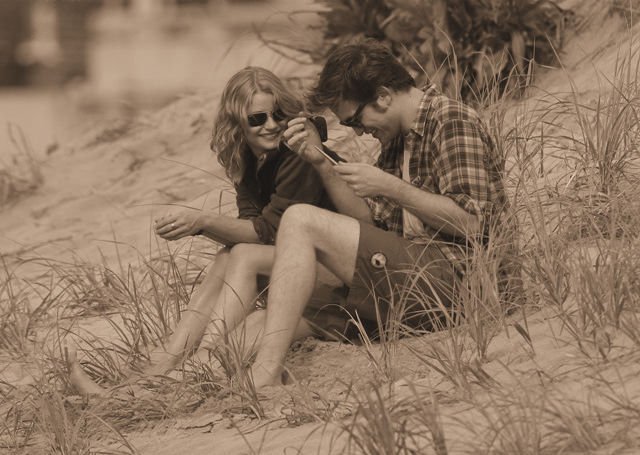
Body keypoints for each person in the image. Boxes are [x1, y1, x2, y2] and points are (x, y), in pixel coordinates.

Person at [248, 39, 515, 389]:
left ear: (384, 96)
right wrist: (322, 163)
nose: (359, 131)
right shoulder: (397, 140)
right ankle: (209, 379)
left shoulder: (450, 120)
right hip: (413, 279)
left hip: (462, 284)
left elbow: (475, 222)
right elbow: (370, 224)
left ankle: (265, 376)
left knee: (299, 219)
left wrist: (392, 187)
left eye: (355, 120)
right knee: (259, 323)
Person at [69, 66, 341, 395]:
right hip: (301, 269)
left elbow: (269, 232)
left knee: (241, 256)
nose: (271, 124)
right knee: (230, 255)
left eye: (278, 114)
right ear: (238, 123)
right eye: (258, 118)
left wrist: (203, 222)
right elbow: (251, 225)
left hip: (332, 274)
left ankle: (196, 360)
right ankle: (167, 363)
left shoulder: (297, 152)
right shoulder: (251, 158)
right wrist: (203, 225)